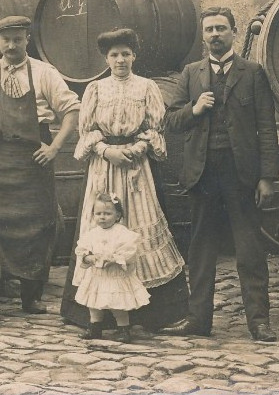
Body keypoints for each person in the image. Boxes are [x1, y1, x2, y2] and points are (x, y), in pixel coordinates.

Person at [160, 6, 279, 342]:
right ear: (203, 35)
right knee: (201, 249)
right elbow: (171, 120)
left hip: (241, 173)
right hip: (203, 173)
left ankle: (259, 321)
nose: (215, 34)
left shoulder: (253, 73)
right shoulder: (191, 73)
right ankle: (198, 319)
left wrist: (267, 176)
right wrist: (195, 109)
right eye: (210, 29)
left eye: (221, 28)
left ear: (233, 32)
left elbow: (266, 128)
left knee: (250, 249)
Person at [61, 28, 186, 331]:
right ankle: (94, 314)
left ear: (134, 56)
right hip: (104, 167)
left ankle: (151, 313)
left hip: (135, 167)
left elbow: (155, 127)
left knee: (137, 225)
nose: (120, 60)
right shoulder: (95, 89)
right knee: (100, 224)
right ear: (107, 58)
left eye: (125, 54)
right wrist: (105, 150)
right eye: (114, 55)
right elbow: (87, 130)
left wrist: (139, 147)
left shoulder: (146, 87)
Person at [0, 15, 81, 314]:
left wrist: (54, 148)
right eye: (6, 40)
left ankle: (32, 296)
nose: (12, 45)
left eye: (18, 39)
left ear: (27, 39)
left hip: (34, 157)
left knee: (38, 224)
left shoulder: (45, 73)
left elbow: (72, 111)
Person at [75, 193, 150, 343]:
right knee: (93, 303)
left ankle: (123, 328)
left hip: (115, 275)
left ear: (117, 216)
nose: (102, 217)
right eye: (98, 214)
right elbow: (81, 250)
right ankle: (95, 327)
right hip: (97, 275)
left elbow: (129, 251)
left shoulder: (122, 233)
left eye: (107, 213)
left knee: (118, 303)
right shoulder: (91, 234)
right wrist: (89, 257)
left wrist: (115, 258)